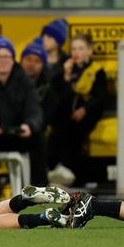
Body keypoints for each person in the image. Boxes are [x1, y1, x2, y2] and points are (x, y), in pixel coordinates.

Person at [0, 37, 48, 190]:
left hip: (17, 134)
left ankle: (40, 189)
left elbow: (35, 110)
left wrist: (29, 125)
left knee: (38, 138)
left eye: (7, 57)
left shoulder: (24, 80)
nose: (3, 61)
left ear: (13, 60)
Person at [47, 34, 107, 186]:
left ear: (89, 51)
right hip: (67, 112)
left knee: (74, 128)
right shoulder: (65, 70)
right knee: (60, 125)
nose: (76, 52)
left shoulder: (97, 71)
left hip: (89, 112)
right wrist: (65, 76)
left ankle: (67, 168)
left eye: (81, 48)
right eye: (73, 48)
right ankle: (54, 169)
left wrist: (84, 110)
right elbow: (59, 94)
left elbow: (99, 98)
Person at [20, 40, 60, 129]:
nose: (31, 64)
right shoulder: (9, 81)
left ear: (43, 65)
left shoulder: (49, 87)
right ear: (21, 61)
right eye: (28, 59)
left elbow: (46, 117)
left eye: (37, 61)